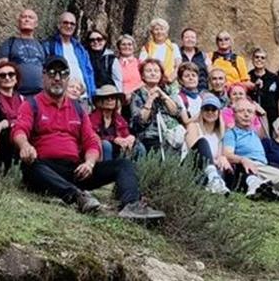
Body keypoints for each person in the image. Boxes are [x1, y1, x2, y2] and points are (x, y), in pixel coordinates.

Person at [12, 57, 164, 220]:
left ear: (67, 78)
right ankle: (77, 196)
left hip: (76, 170)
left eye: (62, 74)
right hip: (46, 167)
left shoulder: (77, 109)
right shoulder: (32, 104)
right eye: (52, 73)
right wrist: (25, 145)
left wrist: (89, 163)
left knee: (124, 165)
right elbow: (19, 130)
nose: (57, 78)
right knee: (30, 166)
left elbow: (91, 141)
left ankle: (131, 206)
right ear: (43, 76)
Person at [129, 58, 182, 154]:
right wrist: (150, 100)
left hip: (172, 134)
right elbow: (139, 121)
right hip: (150, 135)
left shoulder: (168, 90)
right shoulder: (137, 94)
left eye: (156, 71)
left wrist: (163, 96)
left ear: (161, 74)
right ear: (142, 75)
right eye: (149, 71)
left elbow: (176, 112)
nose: (153, 73)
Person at [185, 93, 234, 195]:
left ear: (218, 112)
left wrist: (222, 158)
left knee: (228, 166)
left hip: (208, 171)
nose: (210, 112)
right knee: (202, 142)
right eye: (207, 109)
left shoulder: (220, 133)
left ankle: (214, 183)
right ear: (201, 112)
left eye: (213, 109)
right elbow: (194, 149)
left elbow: (220, 156)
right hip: (191, 166)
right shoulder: (193, 126)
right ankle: (213, 179)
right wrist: (215, 160)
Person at [0, 9, 47, 96]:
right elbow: (2, 67)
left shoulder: (41, 45)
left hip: (39, 94)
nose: (27, 19)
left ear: (36, 24)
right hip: (17, 94)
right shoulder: (10, 43)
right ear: (18, 22)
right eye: (24, 17)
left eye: (30, 17)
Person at [47, 11, 94, 102]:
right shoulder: (50, 46)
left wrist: (92, 95)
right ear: (59, 25)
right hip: (62, 98)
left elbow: (89, 73)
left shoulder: (80, 49)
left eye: (72, 24)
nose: (69, 26)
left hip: (83, 97)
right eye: (65, 23)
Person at [91, 84, 139, 160]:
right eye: (106, 98)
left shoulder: (119, 119)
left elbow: (125, 133)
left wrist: (130, 138)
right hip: (99, 150)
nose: (110, 100)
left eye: (113, 98)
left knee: (139, 147)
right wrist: (113, 139)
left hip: (117, 150)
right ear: (100, 101)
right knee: (106, 145)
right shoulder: (92, 117)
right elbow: (92, 136)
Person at [247, 47, 275, 113]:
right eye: (257, 57)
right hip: (252, 114)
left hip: (271, 115)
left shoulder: (274, 78)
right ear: (252, 59)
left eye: (262, 58)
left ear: (266, 61)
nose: (259, 59)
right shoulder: (247, 77)